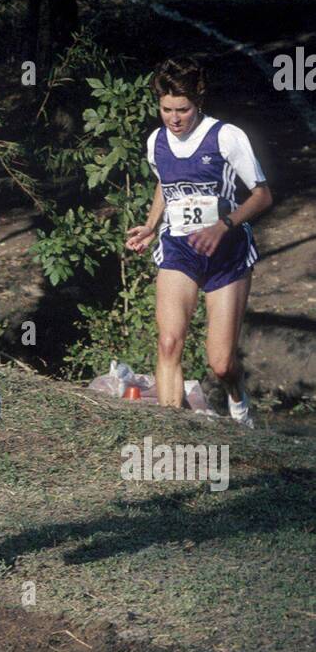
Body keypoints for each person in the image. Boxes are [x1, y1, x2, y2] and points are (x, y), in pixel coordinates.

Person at [125, 58, 272, 426]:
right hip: (179, 250)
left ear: (199, 102)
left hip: (228, 255)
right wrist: (150, 224)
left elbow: (262, 196)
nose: (174, 119)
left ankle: (238, 401)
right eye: (166, 110)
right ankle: (170, 434)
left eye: (183, 110)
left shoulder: (226, 136)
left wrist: (223, 225)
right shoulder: (155, 141)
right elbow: (165, 184)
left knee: (221, 364)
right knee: (169, 343)